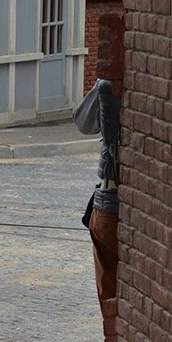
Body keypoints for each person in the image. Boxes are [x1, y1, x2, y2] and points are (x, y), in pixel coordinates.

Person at [73, 79, 121, 311]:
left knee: (109, 293)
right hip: (113, 201)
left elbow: (82, 122)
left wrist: (101, 86)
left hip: (110, 197)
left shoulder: (107, 86)